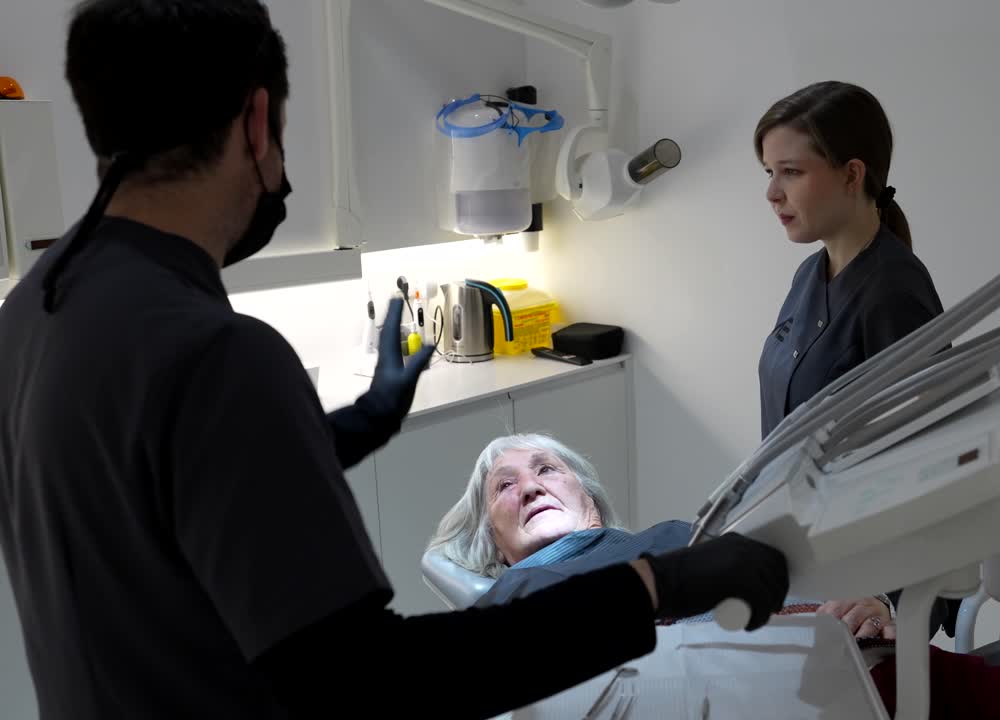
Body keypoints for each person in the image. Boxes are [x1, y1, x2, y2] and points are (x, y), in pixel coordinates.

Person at [0, 3, 787, 719]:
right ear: (256, 120)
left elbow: (165, 477)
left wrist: (368, 419)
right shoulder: (216, 350)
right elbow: (370, 684)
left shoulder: (33, 312)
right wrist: (656, 584)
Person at [431, 434, 1000, 720]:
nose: (527, 484)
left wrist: (855, 603)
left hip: (875, 669)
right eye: (503, 485)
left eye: (546, 468)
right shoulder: (506, 603)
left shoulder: (680, 538)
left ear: (589, 501)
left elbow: (800, 582)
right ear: (497, 547)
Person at [755, 82, 956, 636]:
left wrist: (894, 603)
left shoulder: (893, 291)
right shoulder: (810, 275)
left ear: (852, 174)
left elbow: (935, 458)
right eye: (768, 172)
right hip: (805, 566)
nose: (773, 192)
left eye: (791, 172)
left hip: (861, 600)